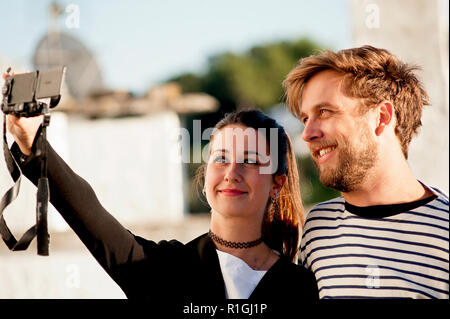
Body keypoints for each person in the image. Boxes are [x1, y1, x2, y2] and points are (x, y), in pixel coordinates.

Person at [3, 93, 318, 306]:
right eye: (220, 158)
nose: (231, 172)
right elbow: (91, 214)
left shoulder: (301, 287)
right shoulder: (162, 269)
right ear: (205, 176)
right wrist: (34, 142)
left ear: (277, 183)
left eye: (249, 161)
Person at [282, 45, 449, 299]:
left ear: (381, 117)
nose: (307, 134)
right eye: (305, 119)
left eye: (324, 112)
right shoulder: (317, 228)